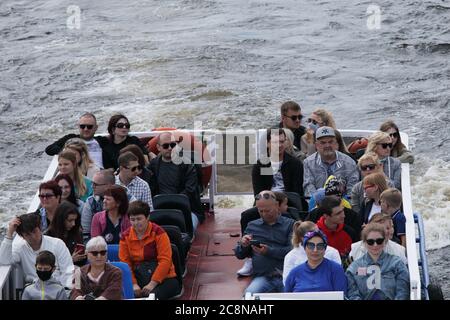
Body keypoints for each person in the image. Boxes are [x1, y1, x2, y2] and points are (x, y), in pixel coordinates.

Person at [234, 191, 294, 294]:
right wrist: (243, 245)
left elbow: (292, 251)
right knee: (249, 296)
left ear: (276, 205)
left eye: (267, 210)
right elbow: (240, 255)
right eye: (260, 211)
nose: (264, 214)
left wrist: (268, 251)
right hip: (263, 277)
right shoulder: (252, 225)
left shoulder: (290, 225)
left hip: (286, 276)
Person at [119, 201, 180, 299]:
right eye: (132, 219)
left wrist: (152, 283)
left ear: (147, 217)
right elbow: (126, 263)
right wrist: (133, 284)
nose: (135, 223)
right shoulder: (125, 237)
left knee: (153, 297)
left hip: (165, 279)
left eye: (139, 219)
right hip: (138, 278)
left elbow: (165, 261)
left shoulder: (159, 233)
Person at [0, 213, 74, 288]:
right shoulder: (20, 248)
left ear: (40, 228)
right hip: (34, 289)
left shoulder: (57, 244)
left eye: (34, 231)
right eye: (28, 234)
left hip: (58, 288)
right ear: (22, 236)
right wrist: (9, 233)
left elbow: (68, 271)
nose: (33, 237)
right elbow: (4, 260)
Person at [148, 132, 203, 229]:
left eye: (173, 145)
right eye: (165, 146)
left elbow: (190, 191)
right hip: (160, 209)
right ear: (158, 147)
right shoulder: (153, 166)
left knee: (187, 229)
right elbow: (150, 189)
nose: (170, 148)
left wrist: (174, 206)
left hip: (186, 209)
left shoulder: (187, 165)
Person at [346, 223, 409, 300]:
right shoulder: (354, 267)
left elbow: (402, 292)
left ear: (385, 241)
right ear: (364, 243)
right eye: (370, 242)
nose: (375, 245)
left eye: (379, 241)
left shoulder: (397, 263)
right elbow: (353, 294)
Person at [252, 128, 305, 209]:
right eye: (275, 142)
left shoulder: (295, 164)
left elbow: (297, 192)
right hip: (265, 203)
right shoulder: (259, 165)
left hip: (289, 204)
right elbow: (258, 193)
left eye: (282, 142)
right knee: (246, 216)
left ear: (286, 143)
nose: (279, 145)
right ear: (267, 143)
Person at [303, 126, 359, 198]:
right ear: (316, 145)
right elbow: (309, 191)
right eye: (323, 143)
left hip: (344, 205)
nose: (327, 145)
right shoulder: (308, 163)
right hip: (318, 205)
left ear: (336, 143)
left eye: (330, 142)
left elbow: (352, 191)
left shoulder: (349, 162)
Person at [283, 221, 341, 285]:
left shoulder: (332, 252)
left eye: (318, 233)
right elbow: (287, 283)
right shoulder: (290, 256)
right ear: (302, 238)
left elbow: (338, 278)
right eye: (312, 236)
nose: (315, 250)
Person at [46, 201, 87, 266]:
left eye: (75, 220)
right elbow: (47, 264)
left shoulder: (77, 232)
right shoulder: (48, 236)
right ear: (61, 219)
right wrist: (70, 260)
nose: (73, 224)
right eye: (70, 220)